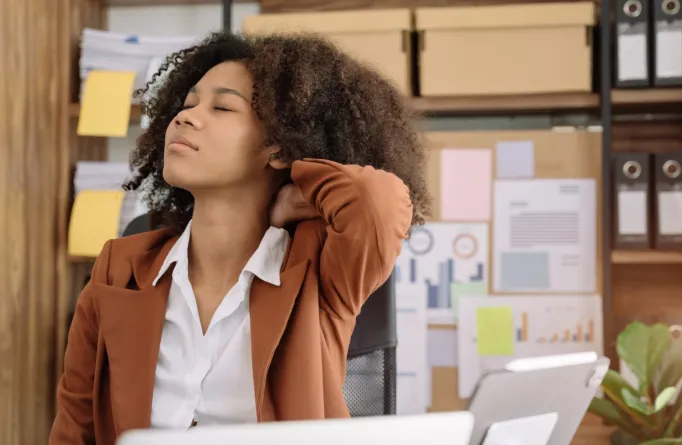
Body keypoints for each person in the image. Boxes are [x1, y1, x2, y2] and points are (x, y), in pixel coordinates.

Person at [50, 32, 430, 445]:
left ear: (279, 148)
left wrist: (297, 190)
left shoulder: (318, 272)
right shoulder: (119, 268)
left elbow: (379, 200)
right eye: (188, 103)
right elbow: (75, 430)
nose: (186, 117)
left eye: (222, 107)